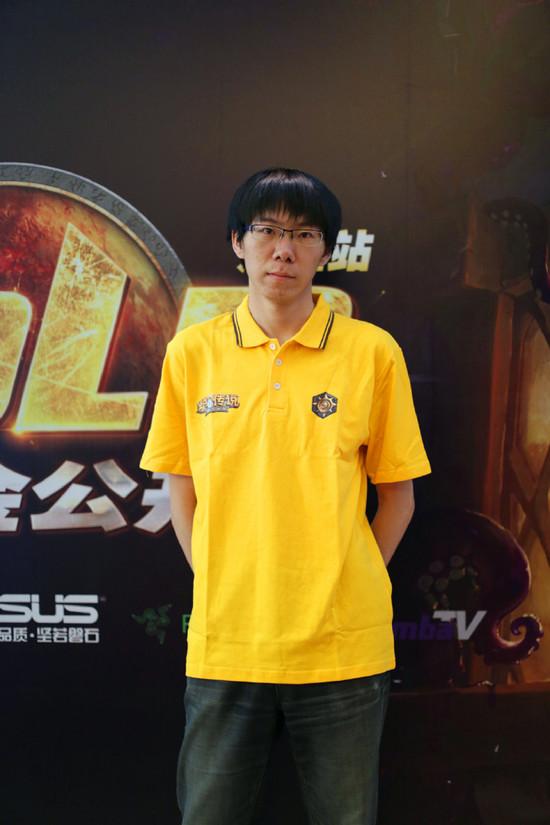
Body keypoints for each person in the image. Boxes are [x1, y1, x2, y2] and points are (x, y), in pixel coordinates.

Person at [140, 167, 431, 825]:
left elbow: (400, 496)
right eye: (267, 230)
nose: (284, 249)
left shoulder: (372, 353)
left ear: (326, 250)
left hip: (343, 648)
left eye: (304, 234)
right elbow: (180, 487)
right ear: (237, 241)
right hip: (227, 644)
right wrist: (217, 578)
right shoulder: (192, 353)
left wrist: (350, 578)